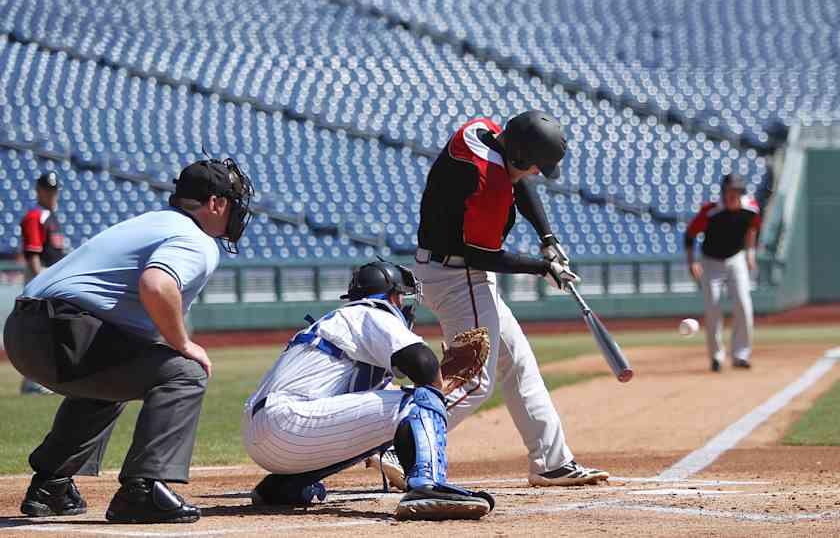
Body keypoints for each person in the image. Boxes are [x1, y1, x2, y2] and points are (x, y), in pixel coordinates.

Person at [3, 156, 253, 524]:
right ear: (216, 203)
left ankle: (51, 485)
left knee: (115, 376)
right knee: (185, 372)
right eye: (233, 202)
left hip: (22, 331)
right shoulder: (196, 239)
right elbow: (157, 284)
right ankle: (142, 489)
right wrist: (182, 342)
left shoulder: (151, 221)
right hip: (63, 330)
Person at [412, 110, 609, 487]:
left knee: (517, 362)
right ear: (518, 156)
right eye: (534, 165)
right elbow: (481, 255)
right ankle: (397, 441)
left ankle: (552, 462)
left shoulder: (483, 131)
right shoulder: (488, 183)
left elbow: (518, 182)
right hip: (459, 277)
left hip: (451, 270)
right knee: (473, 381)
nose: (537, 172)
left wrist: (548, 239)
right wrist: (542, 268)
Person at [241, 260, 494, 520]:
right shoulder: (370, 312)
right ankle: (428, 486)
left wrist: (438, 384)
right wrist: (437, 382)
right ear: (392, 296)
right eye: (401, 297)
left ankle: (285, 486)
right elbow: (423, 363)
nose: (404, 306)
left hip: (263, 435)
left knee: (400, 413)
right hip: (289, 422)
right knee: (417, 403)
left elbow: (383, 404)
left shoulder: (342, 322)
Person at [685, 173, 760, 372]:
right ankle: (716, 357)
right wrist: (692, 262)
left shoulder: (750, 208)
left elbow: (753, 229)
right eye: (728, 191)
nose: (731, 195)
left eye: (735, 191)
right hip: (711, 262)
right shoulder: (711, 211)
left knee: (744, 304)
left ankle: (741, 355)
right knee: (713, 307)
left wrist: (751, 253)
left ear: (741, 192)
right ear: (723, 192)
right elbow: (690, 235)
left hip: (736, 259)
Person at [18, 171, 66, 395]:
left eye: (54, 190)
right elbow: (33, 254)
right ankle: (33, 382)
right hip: (42, 274)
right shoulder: (35, 216)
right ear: (39, 191)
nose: (52, 194)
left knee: (52, 329)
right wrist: (41, 282)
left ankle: (41, 380)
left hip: (53, 274)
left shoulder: (52, 216)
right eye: (48, 190)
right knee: (40, 328)